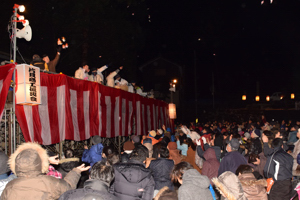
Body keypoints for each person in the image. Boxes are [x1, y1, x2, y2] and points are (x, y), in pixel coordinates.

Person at [1, 142, 90, 200]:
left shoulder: (10, 186)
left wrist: (46, 160)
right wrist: (76, 171)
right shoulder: (48, 182)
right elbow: (68, 186)